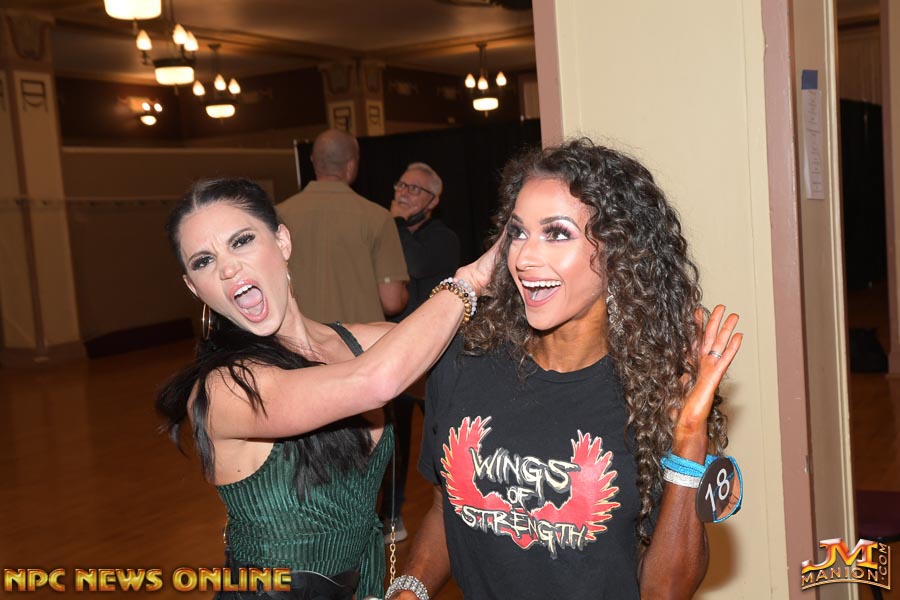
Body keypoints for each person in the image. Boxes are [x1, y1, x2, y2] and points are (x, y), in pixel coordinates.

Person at [388, 139, 742, 600]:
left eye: (556, 234)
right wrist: (409, 590)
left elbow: (666, 590)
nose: (524, 258)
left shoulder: (654, 391)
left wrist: (690, 436)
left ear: (618, 252)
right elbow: (448, 508)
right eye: (518, 233)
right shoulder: (463, 362)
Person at [155, 178, 495, 600]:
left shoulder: (359, 343)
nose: (227, 268)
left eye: (241, 241)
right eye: (204, 261)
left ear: (282, 241)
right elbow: (374, 382)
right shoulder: (225, 388)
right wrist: (469, 282)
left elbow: (475, 371)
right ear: (193, 286)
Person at [381, 162, 461, 541]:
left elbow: (413, 262)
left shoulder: (444, 238)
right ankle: (390, 517)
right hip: (396, 354)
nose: (403, 192)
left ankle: (454, 513)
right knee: (392, 441)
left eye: (414, 189)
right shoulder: (387, 233)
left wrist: (395, 223)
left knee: (443, 441)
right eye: (401, 185)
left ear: (433, 201)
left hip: (434, 359)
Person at [277, 128, 409, 323]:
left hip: (298, 337)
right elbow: (392, 302)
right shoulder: (378, 217)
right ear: (351, 165)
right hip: (358, 339)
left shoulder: (278, 215)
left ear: (313, 160)